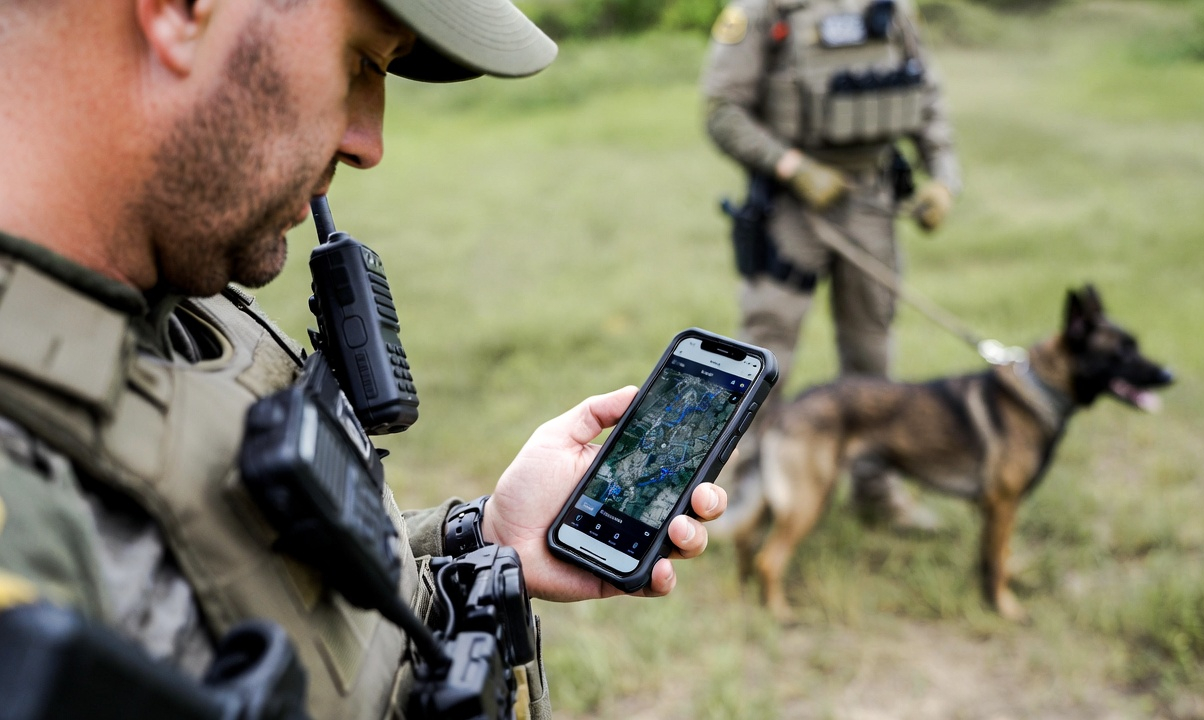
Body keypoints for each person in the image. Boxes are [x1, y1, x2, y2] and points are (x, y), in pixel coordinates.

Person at [0, 0, 728, 718]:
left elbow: (239, 580)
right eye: (361, 62)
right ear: (182, 12)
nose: (367, 142)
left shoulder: (182, 299)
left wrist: (479, 538)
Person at [700, 0, 961, 528]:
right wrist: (792, 168)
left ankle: (876, 488)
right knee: (764, 357)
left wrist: (942, 179)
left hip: (872, 202)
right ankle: (743, 496)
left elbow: (927, 96)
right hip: (791, 211)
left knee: (873, 352)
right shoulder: (761, 10)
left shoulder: (891, 7)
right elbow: (721, 109)